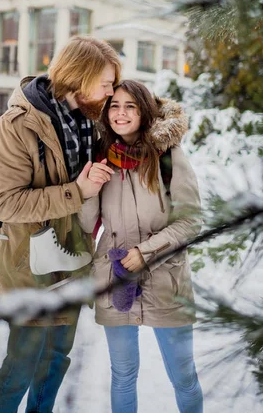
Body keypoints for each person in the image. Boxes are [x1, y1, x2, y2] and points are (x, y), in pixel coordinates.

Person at [0, 36, 121, 413]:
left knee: (56, 360)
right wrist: (76, 190)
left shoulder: (89, 124)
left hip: (72, 262)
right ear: (79, 77)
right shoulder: (15, 128)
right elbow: (6, 203)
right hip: (30, 267)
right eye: (106, 83)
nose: (111, 92)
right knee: (22, 365)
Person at [78, 80, 203, 413]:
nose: (121, 113)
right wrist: (88, 189)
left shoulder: (168, 155)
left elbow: (191, 221)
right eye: (114, 106)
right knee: (122, 375)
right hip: (115, 276)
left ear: (144, 110)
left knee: (183, 376)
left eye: (130, 106)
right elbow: (85, 226)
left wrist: (145, 254)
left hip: (166, 280)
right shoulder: (101, 157)